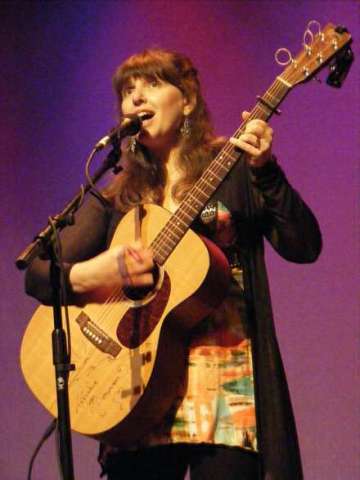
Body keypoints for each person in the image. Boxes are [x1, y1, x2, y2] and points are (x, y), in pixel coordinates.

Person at [25, 49, 322, 480]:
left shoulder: (233, 166)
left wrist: (267, 171)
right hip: (135, 393)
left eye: (151, 84)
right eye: (128, 91)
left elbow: (304, 245)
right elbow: (38, 272)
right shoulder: (119, 192)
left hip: (225, 392)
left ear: (187, 100)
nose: (136, 99)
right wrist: (103, 271)